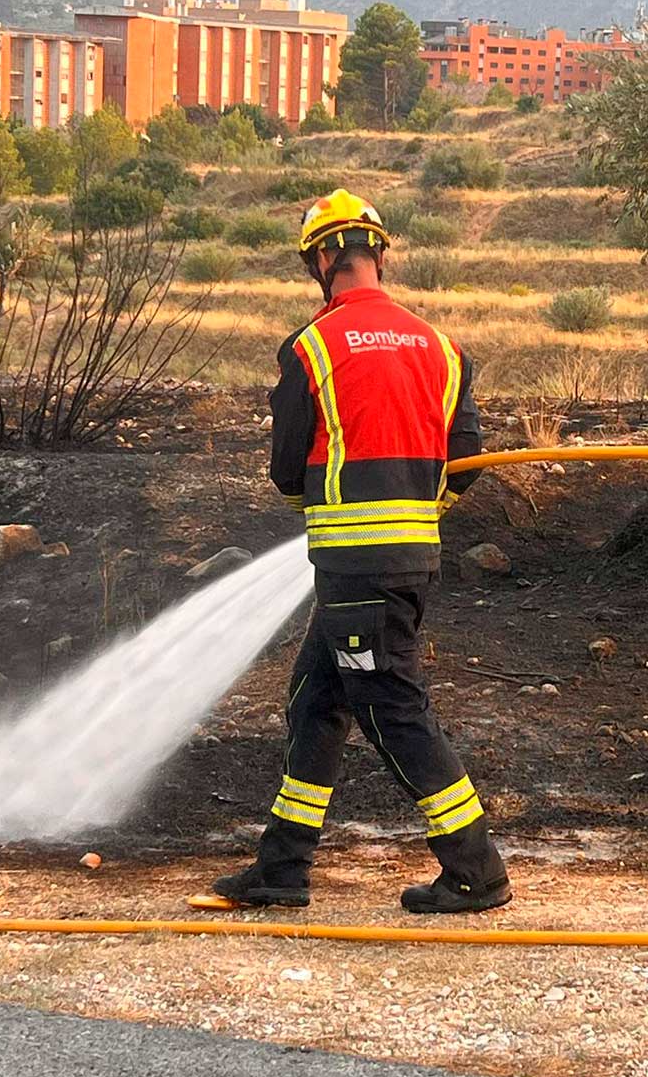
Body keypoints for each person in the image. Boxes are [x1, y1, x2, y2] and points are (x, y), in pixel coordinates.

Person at [209, 189, 511, 915]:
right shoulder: (441, 347)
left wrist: (333, 515)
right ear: (379, 254)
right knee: (316, 701)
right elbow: (467, 459)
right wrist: (414, 510)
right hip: (409, 560)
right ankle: (282, 869)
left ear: (321, 261)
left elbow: (287, 471)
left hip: (353, 567)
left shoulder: (311, 347)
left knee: (392, 711)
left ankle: (477, 870)